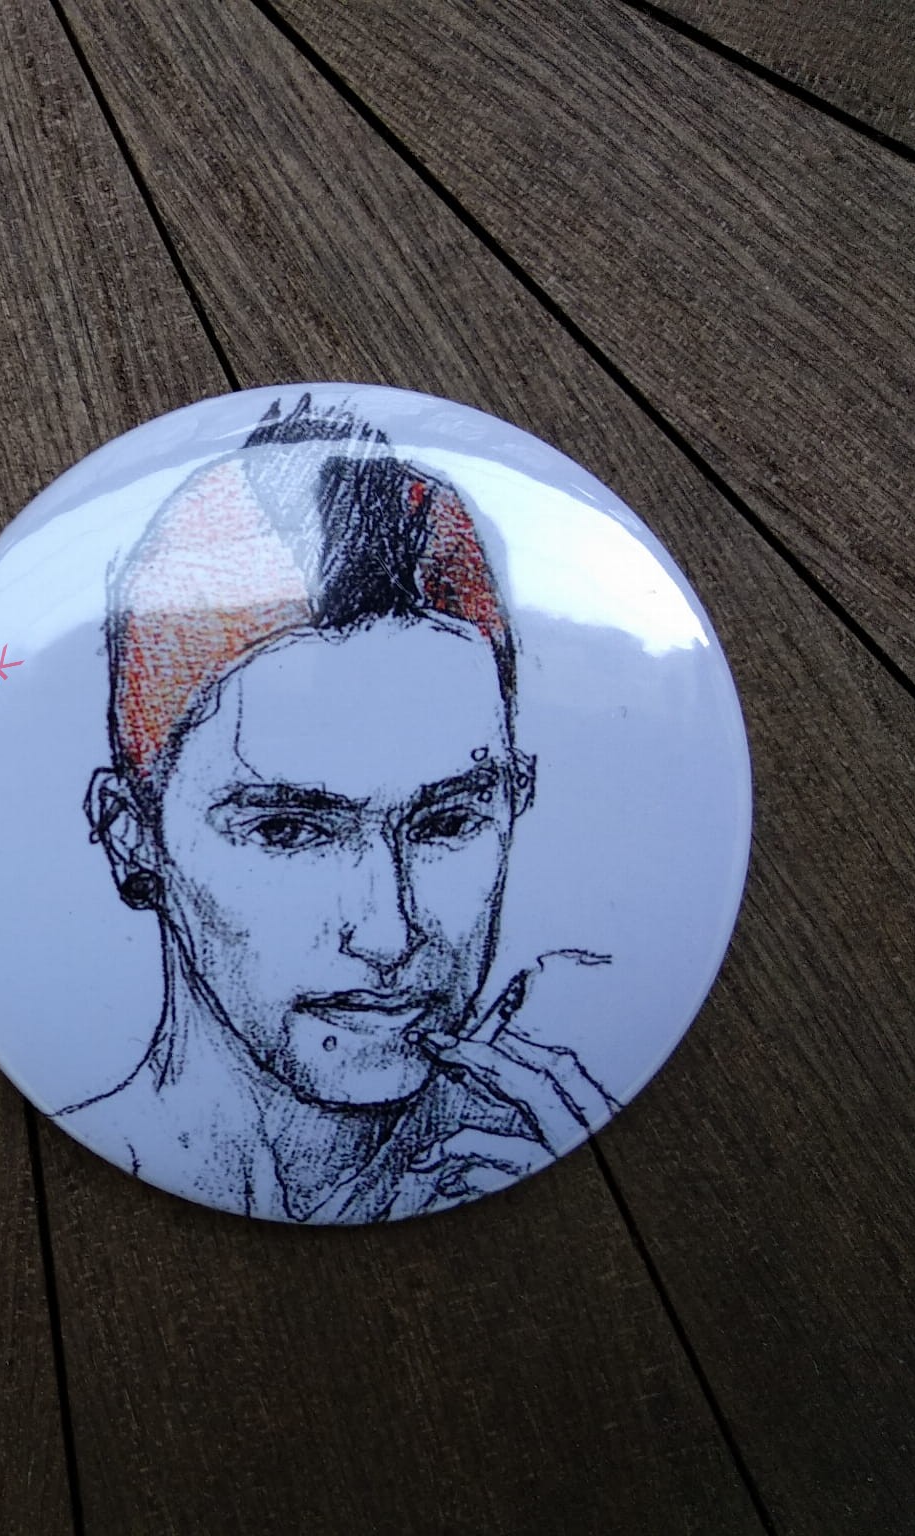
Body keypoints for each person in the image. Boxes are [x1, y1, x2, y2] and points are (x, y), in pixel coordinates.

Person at [61, 395, 616, 1222]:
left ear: (515, 800)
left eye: (448, 823)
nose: (388, 935)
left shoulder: (554, 1148)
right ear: (132, 838)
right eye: (287, 831)